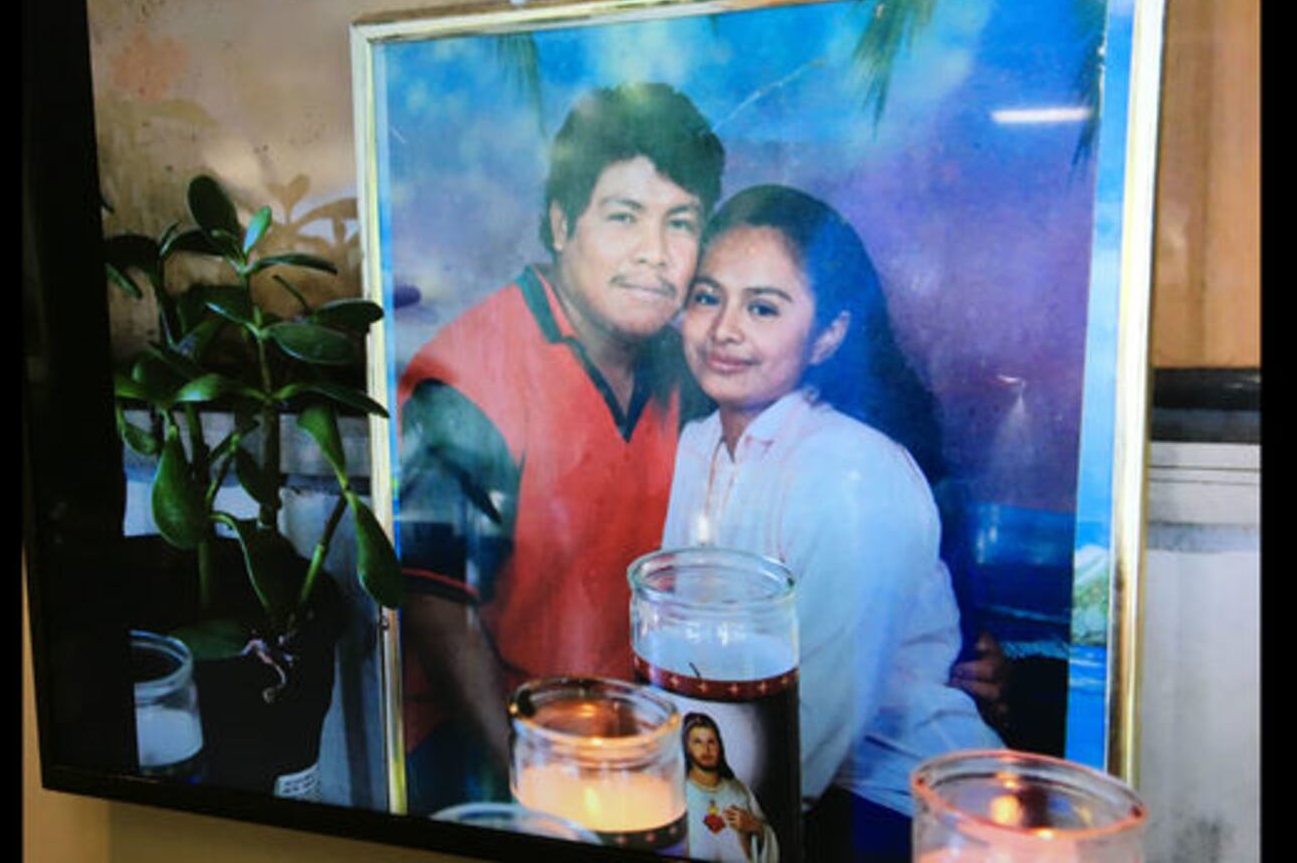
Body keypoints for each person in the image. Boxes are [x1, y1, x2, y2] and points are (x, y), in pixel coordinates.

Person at [394, 82, 725, 813]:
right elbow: (437, 609)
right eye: (623, 217)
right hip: (484, 753)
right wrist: (537, 790)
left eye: (680, 223)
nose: (654, 253)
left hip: (634, 741)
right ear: (561, 222)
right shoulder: (470, 379)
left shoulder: (686, 369)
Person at [660, 185, 1005, 861]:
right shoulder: (694, 445)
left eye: (763, 307)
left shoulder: (855, 473)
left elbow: (809, 736)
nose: (724, 328)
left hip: (897, 802)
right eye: (707, 297)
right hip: (744, 780)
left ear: (829, 335)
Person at [682, 712, 778, 862]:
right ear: (687, 748)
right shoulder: (677, 793)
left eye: (711, 742)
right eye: (697, 742)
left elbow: (766, 838)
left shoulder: (739, 792)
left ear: (720, 746)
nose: (706, 749)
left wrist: (755, 827)